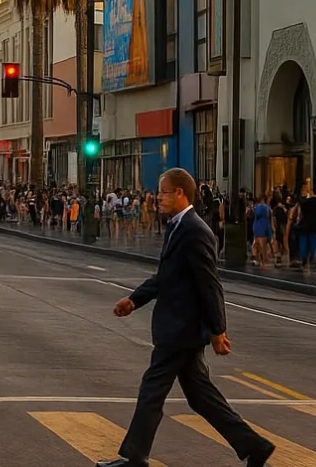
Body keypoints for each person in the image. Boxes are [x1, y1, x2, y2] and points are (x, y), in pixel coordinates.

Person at [99, 168, 274, 467]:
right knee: (201, 397)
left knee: (152, 390)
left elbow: (210, 284)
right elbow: (166, 277)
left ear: (180, 193)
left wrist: (218, 330)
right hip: (181, 329)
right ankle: (254, 446)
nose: (157, 199)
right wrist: (134, 299)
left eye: (163, 192)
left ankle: (135, 458)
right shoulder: (178, 227)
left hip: (180, 330)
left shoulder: (195, 231)